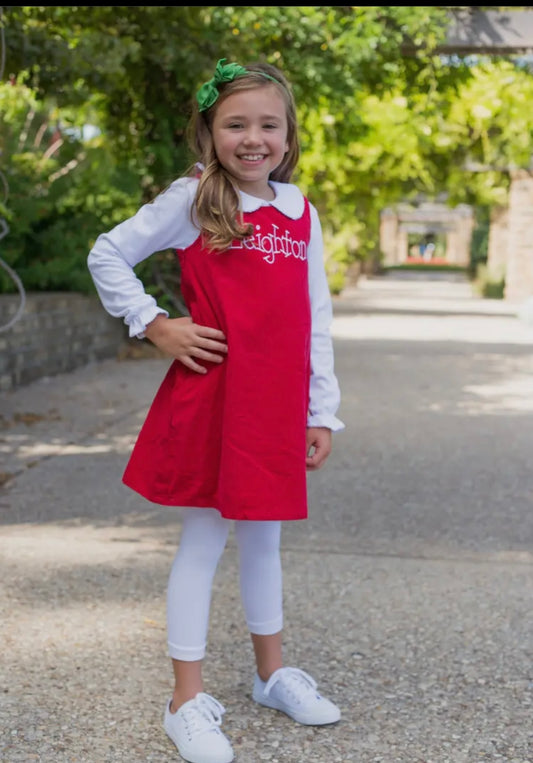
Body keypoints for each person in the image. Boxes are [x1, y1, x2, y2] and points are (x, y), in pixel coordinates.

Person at [87, 57, 344, 763]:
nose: (252, 138)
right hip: (215, 399)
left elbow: (314, 315)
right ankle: (185, 700)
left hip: (275, 406)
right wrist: (154, 322)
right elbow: (108, 253)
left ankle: (271, 674)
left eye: (268, 124)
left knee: (265, 540)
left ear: (288, 136)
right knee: (204, 541)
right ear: (209, 131)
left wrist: (321, 409)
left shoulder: (300, 211)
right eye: (235, 124)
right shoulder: (194, 197)